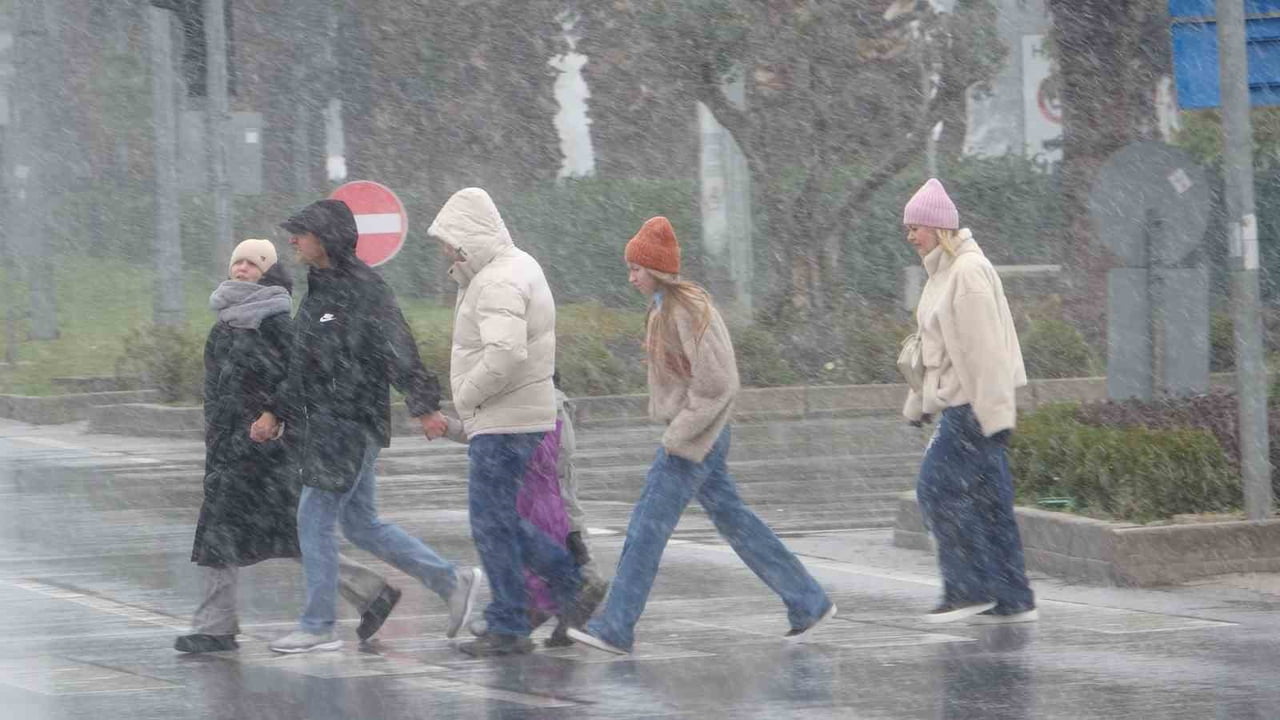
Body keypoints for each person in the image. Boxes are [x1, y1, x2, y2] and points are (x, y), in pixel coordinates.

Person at [567, 217, 836, 655]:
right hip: (699, 434)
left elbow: (717, 383)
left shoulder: (687, 309)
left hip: (694, 438)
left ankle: (616, 626)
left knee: (646, 528)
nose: (630, 276)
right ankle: (808, 601)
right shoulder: (664, 307)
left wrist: (681, 434)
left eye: (636, 268)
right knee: (737, 523)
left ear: (655, 269)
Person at [250, 200, 482, 654]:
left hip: (351, 421)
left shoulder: (365, 289)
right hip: (329, 422)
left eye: (301, 233)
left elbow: (397, 347)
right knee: (360, 524)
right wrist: (275, 410)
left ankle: (318, 625)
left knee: (312, 518)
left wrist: (423, 405)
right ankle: (453, 581)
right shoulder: (318, 288)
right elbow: (302, 362)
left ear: (326, 238)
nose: (292, 240)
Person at [176, 239, 397, 654]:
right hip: (230, 447)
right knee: (277, 534)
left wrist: (273, 415)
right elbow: (217, 391)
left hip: (268, 449)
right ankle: (371, 592)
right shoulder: (224, 322)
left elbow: (299, 377)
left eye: (252, 264)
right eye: (237, 262)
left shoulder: (276, 323)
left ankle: (216, 627)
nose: (241, 269)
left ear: (268, 272)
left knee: (230, 535)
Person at [427, 187, 604, 656]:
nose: (445, 251)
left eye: (449, 241)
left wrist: (466, 397)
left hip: (503, 419)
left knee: (491, 523)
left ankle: (520, 615)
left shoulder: (497, 280)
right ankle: (556, 592)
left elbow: (505, 352)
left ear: (469, 238)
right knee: (499, 519)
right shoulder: (514, 266)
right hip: (522, 415)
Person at [898, 178, 1037, 625]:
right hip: (967, 407)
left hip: (972, 411)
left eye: (914, 227)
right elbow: (933, 351)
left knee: (935, 489)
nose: (910, 237)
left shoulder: (967, 274)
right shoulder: (943, 273)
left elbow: (984, 355)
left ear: (937, 227)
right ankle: (1014, 596)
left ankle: (968, 588)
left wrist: (994, 416)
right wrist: (918, 402)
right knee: (990, 504)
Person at [450, 372, 602, 648]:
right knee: (536, 522)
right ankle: (557, 601)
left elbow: (557, 472)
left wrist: (469, 394)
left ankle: (560, 597)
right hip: (529, 411)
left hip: (529, 413)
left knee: (545, 522)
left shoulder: (534, 391)